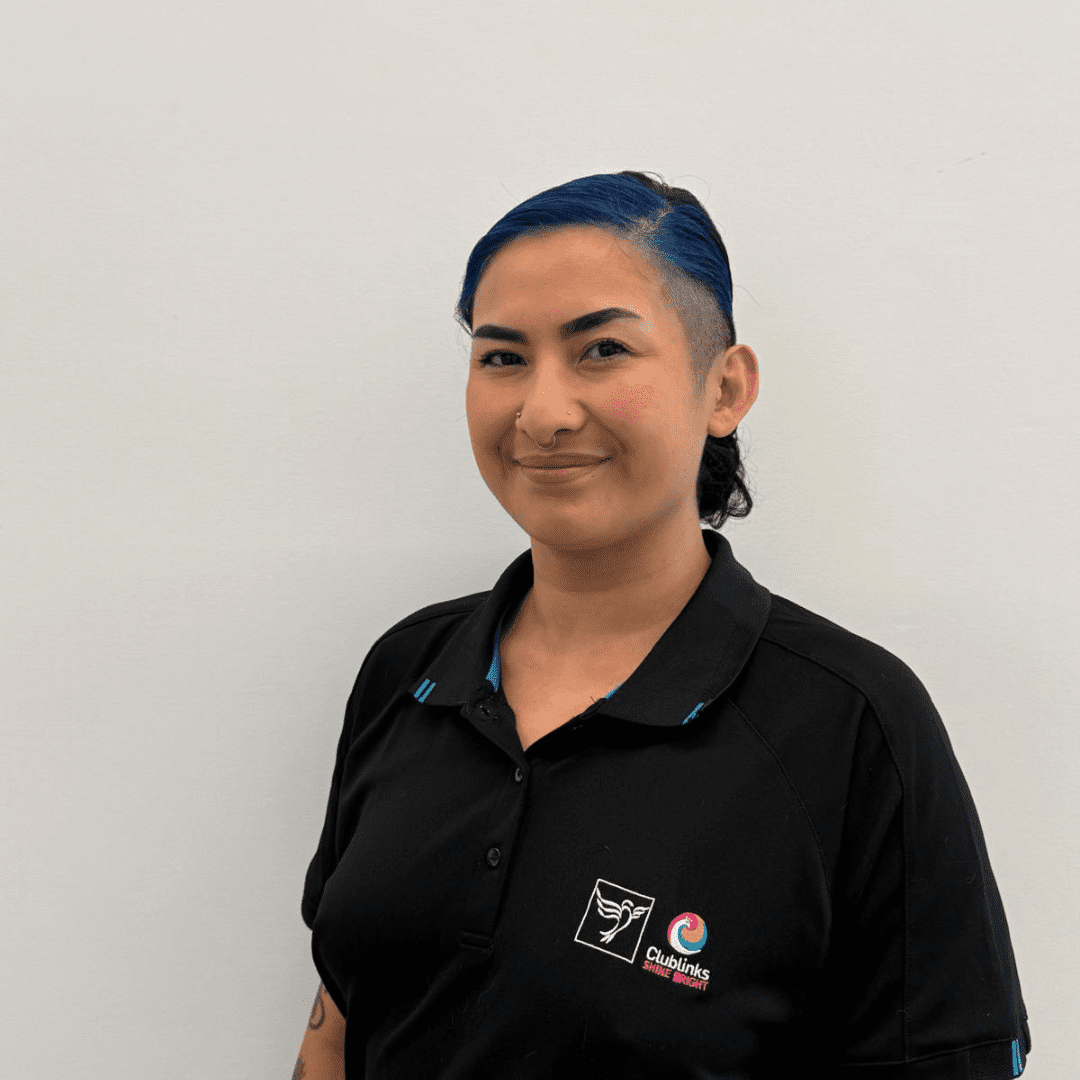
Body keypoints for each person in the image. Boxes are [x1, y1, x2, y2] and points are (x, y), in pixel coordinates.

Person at [292, 171, 1031, 1079]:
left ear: (725, 388)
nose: (543, 414)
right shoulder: (409, 670)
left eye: (602, 349)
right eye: (502, 357)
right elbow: (336, 1025)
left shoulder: (852, 723)